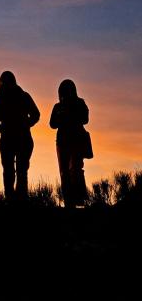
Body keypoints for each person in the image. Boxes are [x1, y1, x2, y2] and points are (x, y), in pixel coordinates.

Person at [0, 71, 40, 202]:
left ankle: (12, 199)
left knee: (12, 170)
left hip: (11, 138)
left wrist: (0, 129)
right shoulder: (23, 96)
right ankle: (18, 199)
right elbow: (36, 115)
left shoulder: (1, 98)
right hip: (20, 138)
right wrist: (26, 124)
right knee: (19, 170)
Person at [50, 79, 89, 208]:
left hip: (75, 141)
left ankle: (79, 200)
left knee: (75, 170)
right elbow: (52, 124)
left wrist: (70, 114)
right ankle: (69, 203)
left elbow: (85, 119)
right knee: (65, 172)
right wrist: (62, 115)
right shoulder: (58, 106)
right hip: (62, 143)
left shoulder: (79, 103)